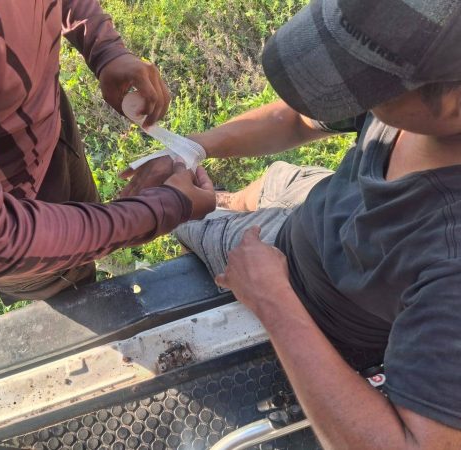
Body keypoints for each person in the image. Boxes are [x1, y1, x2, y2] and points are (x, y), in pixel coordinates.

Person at [125, 0, 461, 447]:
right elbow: (298, 119)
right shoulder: (422, 93)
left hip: (303, 289)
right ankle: (224, 200)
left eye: (367, 87)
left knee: (188, 216)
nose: (353, 95)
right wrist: (192, 149)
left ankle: (207, 212)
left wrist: (272, 298)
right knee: (273, 180)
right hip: (325, 204)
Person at [0, 1, 215, 303]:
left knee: (86, 221)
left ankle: (92, 265)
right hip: (13, 206)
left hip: (47, 127)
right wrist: (162, 209)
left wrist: (105, 48)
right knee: (69, 290)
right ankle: (78, 287)